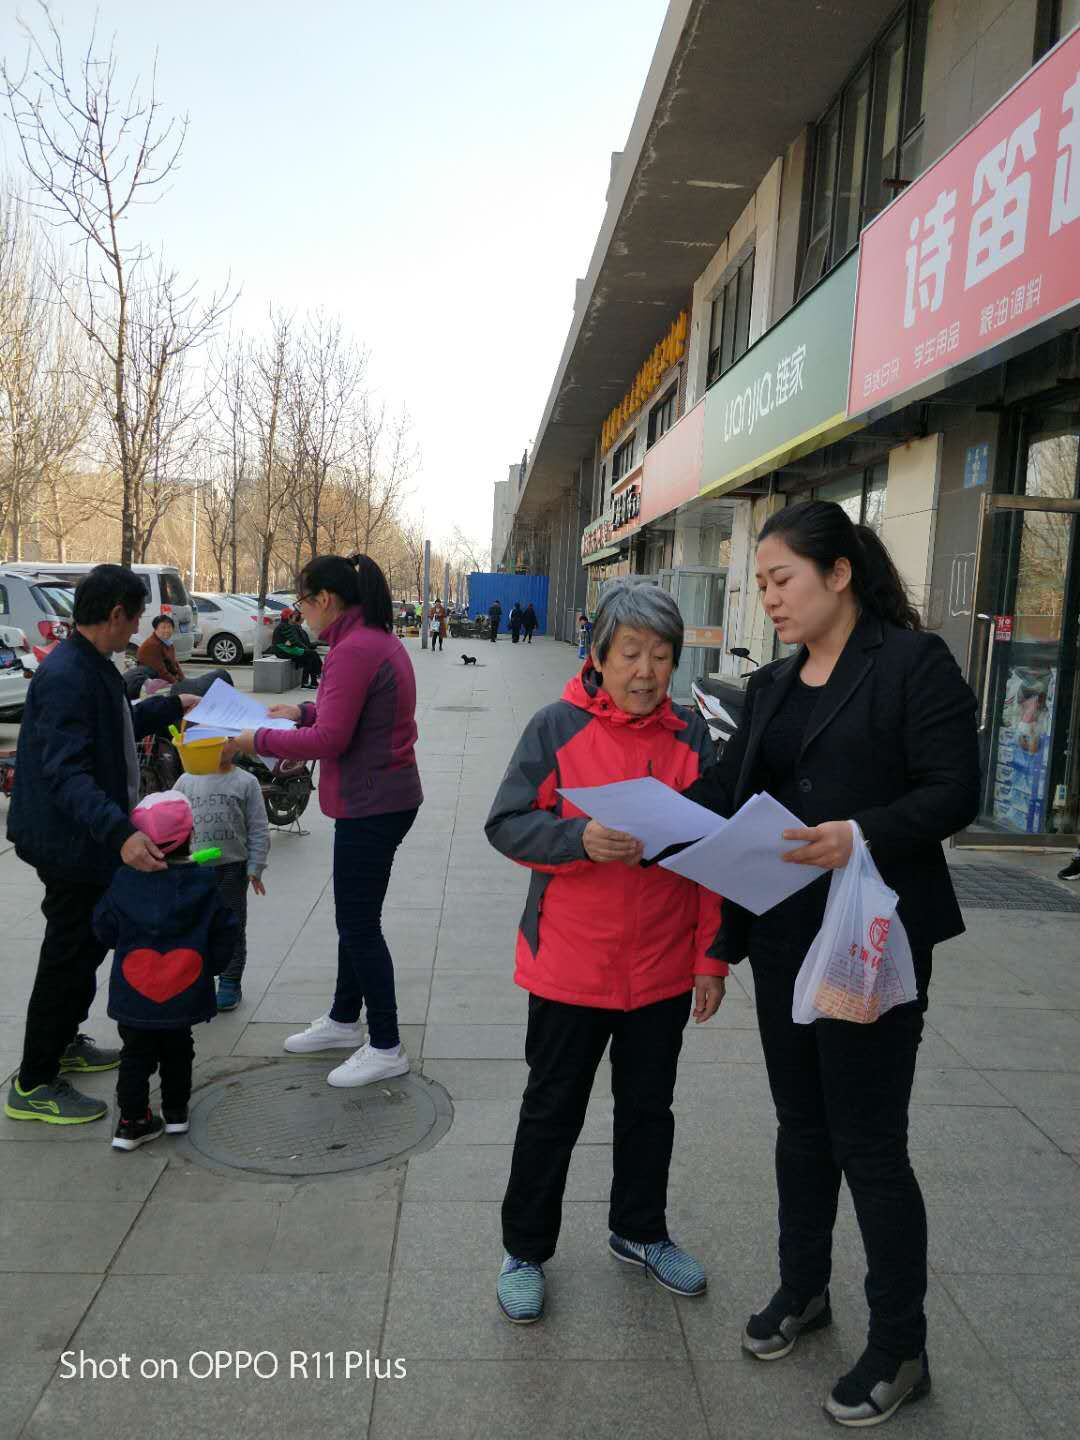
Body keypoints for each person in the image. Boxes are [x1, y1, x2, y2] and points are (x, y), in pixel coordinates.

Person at [684, 500, 979, 1427]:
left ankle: (901, 1346)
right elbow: (731, 798)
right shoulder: (773, 683)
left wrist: (860, 834)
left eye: (782, 579)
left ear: (839, 573)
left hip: (867, 943)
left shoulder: (912, 664)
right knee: (801, 1126)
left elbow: (954, 791)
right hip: (783, 937)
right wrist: (642, 810)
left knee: (869, 1143)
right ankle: (803, 1288)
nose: (769, 598)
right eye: (761, 583)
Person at [485, 580, 727, 1325]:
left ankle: (640, 1230)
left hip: (659, 969)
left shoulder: (694, 741)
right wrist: (578, 839)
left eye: (661, 655)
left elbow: (715, 859)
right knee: (551, 1110)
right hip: (569, 965)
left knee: (649, 1110)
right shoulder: (555, 728)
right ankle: (525, 1250)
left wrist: (710, 960)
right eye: (630, 653)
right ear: (598, 655)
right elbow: (506, 822)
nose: (646, 671)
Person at [4, 565, 196, 1126]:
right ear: (115, 615)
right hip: (69, 841)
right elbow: (67, 772)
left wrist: (168, 706)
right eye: (134, 618)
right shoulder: (68, 674)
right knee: (67, 956)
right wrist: (121, 835)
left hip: (85, 838)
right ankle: (34, 1082)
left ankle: (63, 1042)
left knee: (86, 947)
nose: (137, 629)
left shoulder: (91, 664)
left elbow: (111, 728)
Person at [232, 553, 423, 1089]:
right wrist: (301, 712)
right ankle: (343, 1019)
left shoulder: (353, 649)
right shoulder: (369, 640)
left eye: (304, 601)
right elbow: (348, 714)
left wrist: (255, 739)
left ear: (327, 600)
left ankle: (385, 1044)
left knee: (358, 925)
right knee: (354, 917)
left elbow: (332, 740)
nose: (301, 612)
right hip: (382, 797)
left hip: (372, 803)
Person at [93, 790, 238, 1150]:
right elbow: (225, 930)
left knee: (134, 1054)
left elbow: (103, 927)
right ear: (191, 837)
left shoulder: (123, 881)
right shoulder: (203, 883)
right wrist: (211, 967)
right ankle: (175, 1111)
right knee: (179, 1049)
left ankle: (132, 1122)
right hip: (184, 990)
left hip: (134, 992)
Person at [175, 740, 270, 1013]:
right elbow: (173, 818)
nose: (221, 746)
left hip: (232, 868)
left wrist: (255, 867)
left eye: (228, 739)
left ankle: (230, 980)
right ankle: (198, 978)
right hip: (193, 870)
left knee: (232, 924)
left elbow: (258, 827)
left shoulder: (246, 782)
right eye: (213, 739)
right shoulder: (186, 780)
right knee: (194, 925)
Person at [271, 608, 322, 689]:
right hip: (283, 651)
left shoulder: (287, 625)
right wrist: (306, 649)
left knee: (310, 655)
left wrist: (306, 649)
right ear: (289, 617)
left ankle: (313, 681)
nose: (296, 617)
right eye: (294, 616)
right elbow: (295, 641)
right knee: (310, 654)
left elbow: (295, 641)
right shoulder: (285, 626)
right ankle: (314, 677)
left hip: (288, 649)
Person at [136, 615, 185, 684]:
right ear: (156, 629)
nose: (167, 630)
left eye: (169, 627)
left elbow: (175, 664)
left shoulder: (168, 642)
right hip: (154, 682)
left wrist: (184, 680)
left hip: (167, 679)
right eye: (163, 627)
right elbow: (161, 672)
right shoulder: (152, 645)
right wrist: (178, 684)